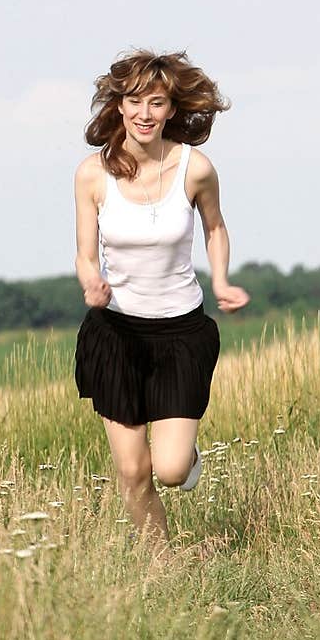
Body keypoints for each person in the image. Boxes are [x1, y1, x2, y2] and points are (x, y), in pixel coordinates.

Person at [73, 48, 249, 558]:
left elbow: (215, 228)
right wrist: (92, 284)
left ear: (172, 109)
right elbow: (85, 255)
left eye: (156, 102)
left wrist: (221, 280)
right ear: (119, 105)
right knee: (133, 469)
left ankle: (185, 455)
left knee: (170, 470)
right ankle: (162, 566)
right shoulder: (92, 175)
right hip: (117, 334)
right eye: (134, 101)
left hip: (179, 333)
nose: (144, 113)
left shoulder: (196, 169)